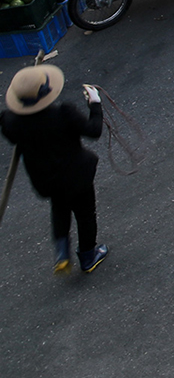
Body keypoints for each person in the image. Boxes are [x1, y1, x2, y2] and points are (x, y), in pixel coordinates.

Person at [2, 66, 108, 274]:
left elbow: (6, 123)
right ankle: (88, 255)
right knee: (85, 214)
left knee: (59, 208)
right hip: (77, 176)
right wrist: (95, 105)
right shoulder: (64, 113)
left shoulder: (13, 123)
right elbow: (93, 131)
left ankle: (62, 251)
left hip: (47, 180)